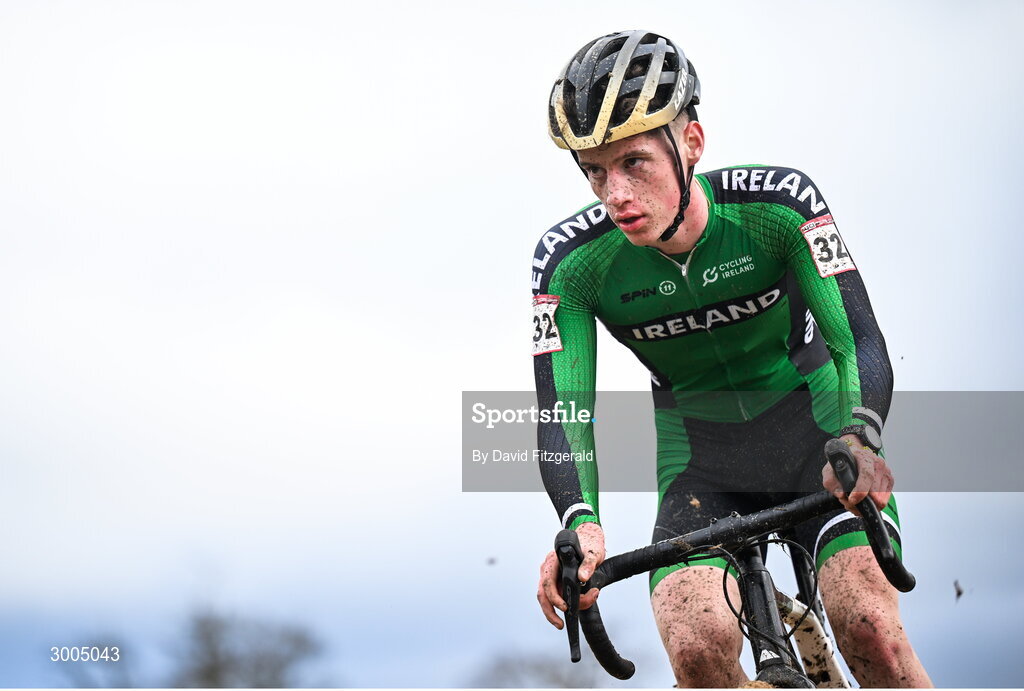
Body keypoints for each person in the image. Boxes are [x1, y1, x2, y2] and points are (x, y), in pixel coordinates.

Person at [532, 30, 932, 687]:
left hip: (820, 446)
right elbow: (564, 410)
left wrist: (861, 436)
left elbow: (857, 339)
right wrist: (580, 524)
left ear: (691, 142)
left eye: (634, 163)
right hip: (702, 471)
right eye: (594, 171)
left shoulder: (779, 208)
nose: (615, 194)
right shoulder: (571, 265)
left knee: (870, 631)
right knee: (696, 648)